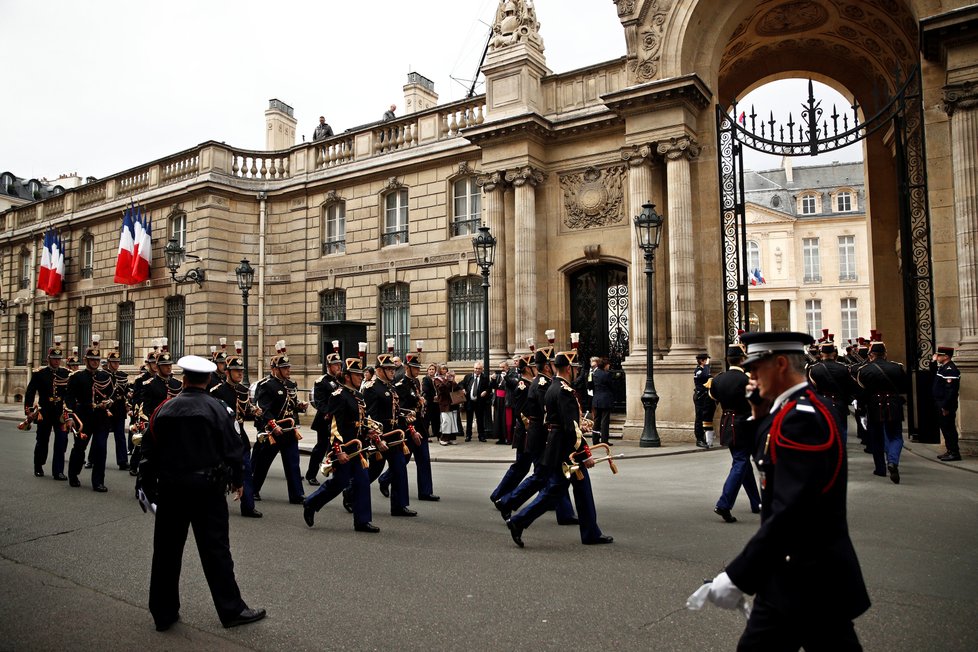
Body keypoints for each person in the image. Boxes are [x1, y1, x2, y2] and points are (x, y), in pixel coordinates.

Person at [702, 331, 869, 650]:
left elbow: (791, 512)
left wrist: (738, 575)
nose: (750, 379)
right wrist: (758, 410)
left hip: (807, 573)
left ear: (780, 364)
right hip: (797, 572)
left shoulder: (799, 419)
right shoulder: (791, 411)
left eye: (755, 370)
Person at [141, 355, 266, 632]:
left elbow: (148, 449)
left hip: (171, 489)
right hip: (207, 490)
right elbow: (234, 448)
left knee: (166, 552)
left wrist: (147, 486)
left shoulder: (164, 408)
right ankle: (231, 609)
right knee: (216, 552)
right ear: (208, 379)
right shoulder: (219, 409)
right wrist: (237, 480)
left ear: (183, 378)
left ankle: (163, 612)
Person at [506, 349, 612, 548]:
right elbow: (571, 429)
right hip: (568, 451)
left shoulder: (552, 388)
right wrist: (585, 454)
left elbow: (554, 421)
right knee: (579, 491)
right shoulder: (565, 391)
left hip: (555, 448)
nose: (576, 372)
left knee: (556, 491)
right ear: (570, 369)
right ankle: (589, 533)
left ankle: (519, 521)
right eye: (575, 369)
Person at [494, 345, 577, 526]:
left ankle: (564, 513)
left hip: (542, 436)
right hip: (540, 437)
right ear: (547, 366)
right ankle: (507, 501)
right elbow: (544, 413)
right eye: (553, 363)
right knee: (542, 476)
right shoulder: (541, 384)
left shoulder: (544, 382)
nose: (555, 366)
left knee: (554, 476)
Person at [303, 356, 379, 533]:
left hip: (358, 447)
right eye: (356, 374)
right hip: (344, 448)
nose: (361, 377)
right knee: (339, 483)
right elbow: (334, 427)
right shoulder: (338, 396)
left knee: (362, 481)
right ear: (347, 376)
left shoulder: (358, 396)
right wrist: (338, 450)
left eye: (361, 374)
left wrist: (369, 432)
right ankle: (311, 503)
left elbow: (360, 421)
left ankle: (362, 521)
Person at [709, 344, 761, 523]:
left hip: (727, 424)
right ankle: (724, 504)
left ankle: (756, 503)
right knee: (741, 462)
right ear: (742, 359)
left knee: (742, 463)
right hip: (745, 424)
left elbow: (714, 398)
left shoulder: (718, 379)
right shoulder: (746, 379)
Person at [209, 346, 263, 518]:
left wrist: (254, 411)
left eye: (241, 371)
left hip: (239, 436)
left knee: (246, 469)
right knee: (219, 471)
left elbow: (245, 409)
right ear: (228, 372)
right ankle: (213, 503)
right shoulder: (216, 391)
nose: (240, 374)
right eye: (236, 371)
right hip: (222, 436)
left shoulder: (243, 390)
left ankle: (248, 506)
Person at [363, 353, 416, 516]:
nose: (393, 372)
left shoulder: (390, 387)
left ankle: (399, 506)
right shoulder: (371, 388)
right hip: (380, 436)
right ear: (379, 371)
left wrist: (407, 421)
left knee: (400, 467)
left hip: (394, 435)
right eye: (388, 369)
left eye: (393, 369)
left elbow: (396, 411)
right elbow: (370, 416)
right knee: (374, 470)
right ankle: (350, 493)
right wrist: (377, 438)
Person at [382, 349, 439, 501]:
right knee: (404, 460)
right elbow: (401, 409)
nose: (418, 370)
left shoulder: (416, 382)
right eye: (415, 367)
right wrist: (410, 428)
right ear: (407, 367)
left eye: (418, 367)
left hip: (420, 426)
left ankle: (425, 491)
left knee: (424, 459)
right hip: (409, 428)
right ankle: (385, 479)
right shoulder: (401, 384)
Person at [252, 348, 306, 503]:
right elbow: (264, 409)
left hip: (289, 430)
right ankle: (254, 489)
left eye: (288, 367)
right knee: (263, 463)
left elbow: (291, 405)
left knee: (293, 464)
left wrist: (299, 406)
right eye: (284, 368)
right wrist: (272, 425)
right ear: (275, 369)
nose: (288, 370)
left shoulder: (291, 384)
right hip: (274, 431)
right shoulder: (267, 385)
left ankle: (297, 494)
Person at [856, 338, 909, 483]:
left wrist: (861, 407)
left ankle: (880, 469)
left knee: (877, 438)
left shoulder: (864, 370)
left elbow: (862, 392)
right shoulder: (897, 367)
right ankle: (893, 461)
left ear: (870, 355)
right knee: (896, 436)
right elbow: (905, 387)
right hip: (893, 404)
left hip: (874, 405)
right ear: (885, 354)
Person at [65, 339, 114, 492]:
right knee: (79, 448)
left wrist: (109, 403)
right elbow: (69, 398)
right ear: (86, 360)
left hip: (100, 418)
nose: (94, 362)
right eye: (92, 360)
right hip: (83, 416)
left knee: (100, 448)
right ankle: (73, 474)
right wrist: (70, 417)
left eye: (97, 360)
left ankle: (98, 481)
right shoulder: (76, 377)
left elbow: (110, 394)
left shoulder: (105, 377)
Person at [489, 353, 536, 503]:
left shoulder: (530, 384)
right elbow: (520, 412)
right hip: (525, 434)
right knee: (521, 467)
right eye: (533, 366)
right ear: (528, 369)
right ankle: (499, 495)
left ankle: (549, 498)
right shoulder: (523, 386)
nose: (536, 368)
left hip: (531, 434)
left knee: (536, 468)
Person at [24, 342, 70, 480]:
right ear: (48, 359)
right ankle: (38, 465)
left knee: (61, 441)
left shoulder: (65, 373)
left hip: (60, 413)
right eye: (54, 358)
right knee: (42, 441)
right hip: (44, 412)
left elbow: (69, 393)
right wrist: (29, 410)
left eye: (58, 359)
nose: (57, 361)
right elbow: (30, 392)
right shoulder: (40, 374)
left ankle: (58, 471)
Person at [306, 343, 344, 485]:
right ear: (329, 366)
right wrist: (329, 412)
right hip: (325, 421)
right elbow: (319, 402)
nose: (338, 367)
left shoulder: (341, 381)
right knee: (320, 449)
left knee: (336, 448)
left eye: (339, 364)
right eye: (335, 365)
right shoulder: (321, 382)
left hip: (338, 421)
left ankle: (336, 473)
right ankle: (311, 474)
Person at [807, 339, 858, 442]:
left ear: (821, 354)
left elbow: (810, 390)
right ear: (834, 353)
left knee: (823, 433)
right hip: (839, 404)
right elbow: (851, 387)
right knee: (841, 432)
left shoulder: (813, 369)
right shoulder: (843, 368)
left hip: (821, 404)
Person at [931, 346, 961, 461]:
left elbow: (951, 391)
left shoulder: (950, 369)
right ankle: (950, 450)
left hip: (946, 404)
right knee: (945, 428)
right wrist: (933, 361)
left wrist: (945, 406)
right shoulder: (944, 367)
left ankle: (954, 452)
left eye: (939, 355)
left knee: (949, 429)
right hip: (941, 403)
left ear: (946, 356)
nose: (937, 356)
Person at [106, 345, 130, 471]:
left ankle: (122, 461)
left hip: (119, 408)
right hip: (107, 409)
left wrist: (128, 399)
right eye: (113, 362)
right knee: (102, 435)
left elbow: (126, 391)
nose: (116, 364)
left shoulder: (122, 375)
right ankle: (93, 459)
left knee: (120, 435)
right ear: (109, 363)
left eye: (117, 362)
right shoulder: (103, 375)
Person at [461, 361, 490, 441]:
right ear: (473, 369)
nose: (477, 370)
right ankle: (468, 436)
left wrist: (486, 391)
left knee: (480, 420)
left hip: (479, 402)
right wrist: (463, 389)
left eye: (479, 369)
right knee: (469, 420)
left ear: (482, 369)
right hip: (469, 401)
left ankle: (481, 436)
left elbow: (489, 388)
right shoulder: (468, 376)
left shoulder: (485, 378)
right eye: (476, 368)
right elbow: (462, 384)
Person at [693, 352, 716, 448]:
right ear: (702, 361)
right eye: (706, 360)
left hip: (705, 397)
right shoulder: (699, 371)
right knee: (699, 419)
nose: (707, 362)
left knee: (703, 418)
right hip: (700, 397)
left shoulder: (704, 370)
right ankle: (699, 440)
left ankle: (704, 439)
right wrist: (706, 366)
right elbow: (705, 375)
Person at [489, 360, 514, 445]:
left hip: (506, 399)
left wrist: (506, 377)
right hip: (498, 399)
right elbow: (493, 386)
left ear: (507, 367)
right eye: (500, 368)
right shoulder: (498, 375)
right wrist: (492, 380)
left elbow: (513, 384)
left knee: (507, 420)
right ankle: (501, 438)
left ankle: (508, 438)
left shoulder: (512, 374)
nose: (502, 369)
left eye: (503, 367)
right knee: (498, 419)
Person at [590, 358, 614, 446]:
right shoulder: (607, 374)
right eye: (608, 364)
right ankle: (604, 440)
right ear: (605, 365)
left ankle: (595, 440)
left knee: (596, 420)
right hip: (605, 399)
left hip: (596, 398)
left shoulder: (595, 374)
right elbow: (611, 385)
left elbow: (591, 385)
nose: (609, 366)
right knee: (604, 421)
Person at [434, 365, 460, 445]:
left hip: (452, 403)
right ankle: (444, 438)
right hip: (444, 403)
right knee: (446, 421)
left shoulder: (450, 379)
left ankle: (451, 438)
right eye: (442, 369)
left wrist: (453, 380)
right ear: (439, 370)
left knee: (452, 422)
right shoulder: (437, 379)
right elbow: (441, 389)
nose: (444, 370)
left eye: (445, 369)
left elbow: (456, 388)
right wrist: (446, 379)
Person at [422, 363, 441, 441]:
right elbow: (426, 389)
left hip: (437, 402)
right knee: (427, 419)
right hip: (429, 401)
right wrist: (433, 396)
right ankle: (426, 436)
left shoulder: (437, 379)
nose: (431, 371)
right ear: (427, 371)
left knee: (436, 419)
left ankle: (437, 434)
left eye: (433, 369)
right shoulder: (426, 379)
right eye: (430, 369)